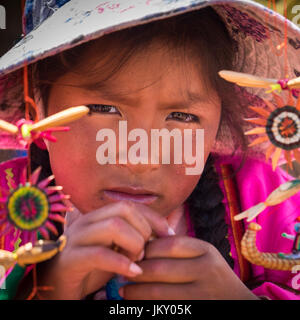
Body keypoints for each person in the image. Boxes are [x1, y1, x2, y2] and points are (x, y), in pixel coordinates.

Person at [0, 0, 300, 300]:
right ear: (38, 113)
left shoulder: (267, 204)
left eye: (182, 116)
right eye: (105, 109)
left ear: (217, 130)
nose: (141, 159)